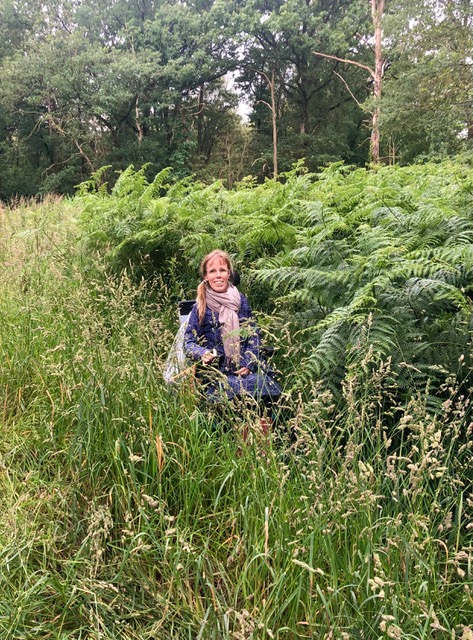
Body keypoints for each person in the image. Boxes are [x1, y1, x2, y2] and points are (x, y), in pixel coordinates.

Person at [183, 250, 281, 421]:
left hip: (246, 370)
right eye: (212, 271)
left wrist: (249, 363)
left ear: (229, 273)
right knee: (234, 395)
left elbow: (253, 334)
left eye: (222, 270)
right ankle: (241, 442)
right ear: (206, 276)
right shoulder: (200, 306)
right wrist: (202, 353)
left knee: (265, 390)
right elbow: (188, 342)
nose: (218, 275)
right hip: (218, 373)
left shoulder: (240, 300)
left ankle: (263, 443)